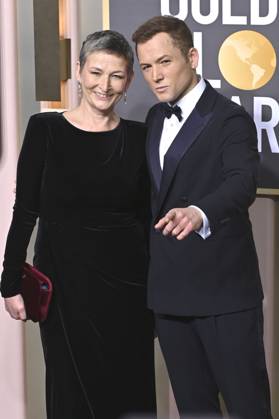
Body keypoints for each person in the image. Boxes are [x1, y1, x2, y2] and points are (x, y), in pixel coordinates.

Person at [1, 30, 156, 419]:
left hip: (128, 291)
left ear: (129, 81)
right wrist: (8, 282)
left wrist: (158, 295)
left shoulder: (141, 138)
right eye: (96, 72)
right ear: (79, 71)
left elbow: (148, 221)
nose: (104, 85)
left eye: (116, 76)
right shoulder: (44, 129)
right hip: (64, 289)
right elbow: (25, 212)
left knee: (129, 395)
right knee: (70, 396)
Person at [132, 15, 273, 419]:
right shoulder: (156, 119)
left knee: (248, 408)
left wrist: (199, 211)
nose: (155, 76)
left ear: (191, 57)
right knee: (194, 411)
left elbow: (241, 183)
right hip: (170, 295)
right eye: (146, 67)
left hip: (224, 295)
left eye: (164, 62)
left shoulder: (230, 118)